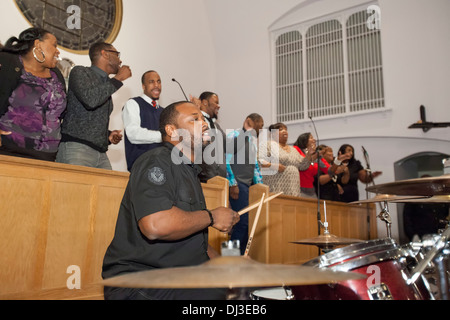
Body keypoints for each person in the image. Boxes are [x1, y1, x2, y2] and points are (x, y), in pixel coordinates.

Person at [102, 101, 240, 300]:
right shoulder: (156, 161)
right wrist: (211, 216)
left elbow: (195, 243)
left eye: (203, 119)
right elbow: (155, 225)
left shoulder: (190, 172)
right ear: (172, 131)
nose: (204, 124)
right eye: (194, 119)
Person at [56, 42, 132, 170]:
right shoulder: (80, 72)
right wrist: (118, 79)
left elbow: (90, 117)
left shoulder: (106, 83)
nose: (120, 60)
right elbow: (91, 100)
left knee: (109, 189)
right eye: (117, 55)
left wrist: (106, 135)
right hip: (77, 148)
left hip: (100, 152)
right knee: (75, 190)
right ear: (105, 54)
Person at [0, 27, 66, 161]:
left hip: (48, 155)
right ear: (38, 44)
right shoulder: (8, 61)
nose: (57, 51)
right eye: (54, 45)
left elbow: (63, 114)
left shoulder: (56, 74)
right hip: (10, 151)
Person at [226, 113, 264, 254]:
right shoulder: (234, 135)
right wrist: (232, 183)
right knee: (240, 223)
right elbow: (226, 159)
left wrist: (261, 188)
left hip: (248, 187)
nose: (261, 129)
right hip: (238, 185)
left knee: (247, 225)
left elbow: (254, 167)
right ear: (249, 122)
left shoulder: (251, 141)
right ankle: (228, 258)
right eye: (260, 125)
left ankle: (241, 259)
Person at [122, 70, 163, 171]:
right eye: (151, 82)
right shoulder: (133, 103)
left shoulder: (164, 111)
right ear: (143, 86)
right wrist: (164, 136)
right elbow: (133, 134)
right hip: (141, 167)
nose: (156, 85)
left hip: (162, 166)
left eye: (158, 81)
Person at [258, 123, 312, 197]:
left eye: (286, 129)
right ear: (273, 134)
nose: (285, 131)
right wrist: (273, 165)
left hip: (294, 190)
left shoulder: (293, 150)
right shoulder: (268, 145)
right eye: (281, 130)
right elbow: (259, 160)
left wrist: (309, 154)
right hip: (276, 188)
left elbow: (303, 166)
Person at [294, 133, 351, 198]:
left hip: (311, 191)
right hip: (297, 189)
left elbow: (331, 171)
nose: (314, 140)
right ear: (304, 139)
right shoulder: (296, 150)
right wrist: (310, 155)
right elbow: (301, 166)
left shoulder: (317, 156)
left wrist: (338, 160)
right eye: (311, 138)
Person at [191, 91, 227, 182]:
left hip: (221, 179)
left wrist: (246, 132)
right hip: (204, 178)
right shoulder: (194, 120)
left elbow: (228, 145)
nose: (218, 106)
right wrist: (194, 109)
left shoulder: (216, 125)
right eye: (216, 102)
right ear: (205, 102)